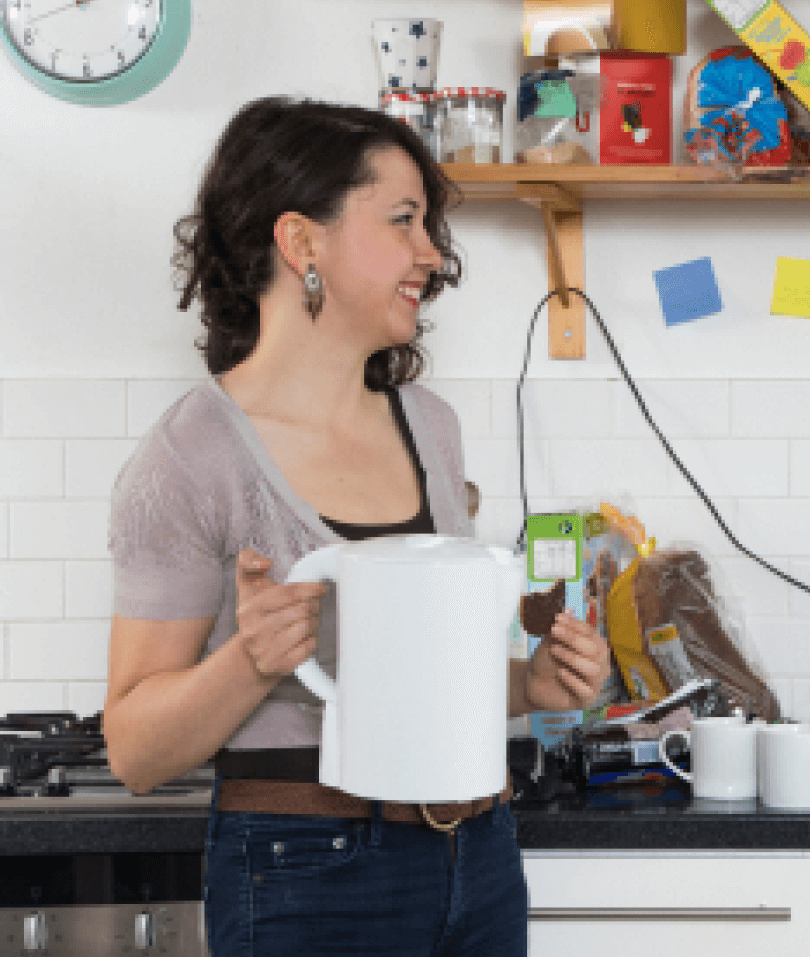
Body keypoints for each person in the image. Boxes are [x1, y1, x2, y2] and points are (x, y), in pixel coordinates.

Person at [103, 96, 612, 957]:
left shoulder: (431, 426)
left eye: (430, 225)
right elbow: (136, 751)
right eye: (404, 220)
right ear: (303, 243)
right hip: (304, 869)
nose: (432, 253)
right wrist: (252, 657)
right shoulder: (192, 455)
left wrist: (534, 688)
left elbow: (429, 681)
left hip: (479, 854)